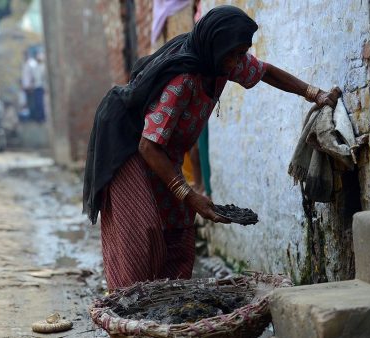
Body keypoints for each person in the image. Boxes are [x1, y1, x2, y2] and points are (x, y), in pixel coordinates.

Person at [82, 5, 339, 290]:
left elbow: (266, 72)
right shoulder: (184, 80)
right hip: (127, 146)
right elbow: (148, 146)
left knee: (177, 224)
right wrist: (189, 194)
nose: (240, 61)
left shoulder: (221, 61)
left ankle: (168, 303)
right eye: (236, 54)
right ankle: (129, 304)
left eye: (242, 53)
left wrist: (314, 94)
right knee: (143, 230)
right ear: (216, 46)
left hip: (161, 151)